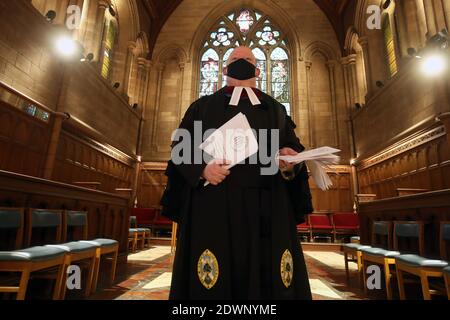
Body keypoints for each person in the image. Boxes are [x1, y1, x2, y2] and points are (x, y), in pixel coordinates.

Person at [161, 46, 313, 300]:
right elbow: (180, 147)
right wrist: (202, 169)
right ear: (223, 69)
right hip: (213, 205)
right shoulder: (202, 106)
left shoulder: (275, 109)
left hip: (267, 207)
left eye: (248, 60)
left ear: (258, 69)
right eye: (235, 59)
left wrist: (289, 160)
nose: (241, 62)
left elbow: (292, 147)